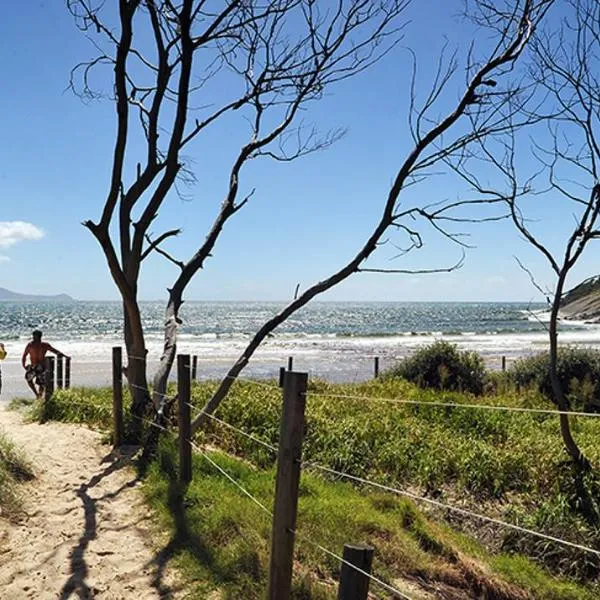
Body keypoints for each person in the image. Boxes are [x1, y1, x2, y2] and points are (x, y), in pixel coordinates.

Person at [22, 330, 69, 399]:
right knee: (28, 378)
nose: (35, 338)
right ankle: (37, 394)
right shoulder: (30, 345)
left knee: (42, 383)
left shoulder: (44, 345)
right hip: (33, 366)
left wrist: (65, 356)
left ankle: (40, 396)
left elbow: (55, 351)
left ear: (40, 337)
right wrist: (24, 366)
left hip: (41, 366)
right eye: (34, 337)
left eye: (37, 337)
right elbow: (24, 356)